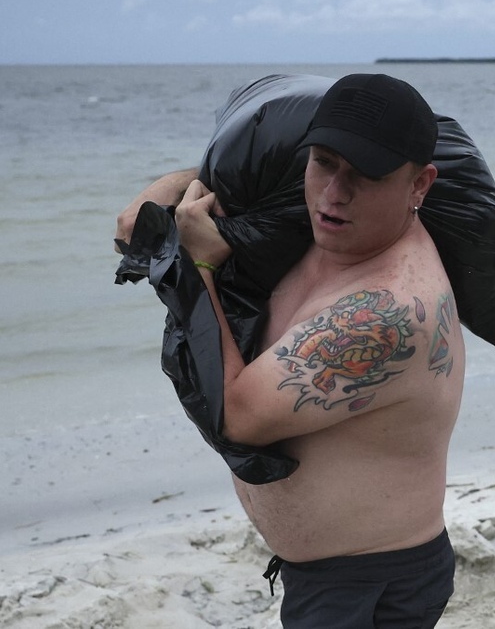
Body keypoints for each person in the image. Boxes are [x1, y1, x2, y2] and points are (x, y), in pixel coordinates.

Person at [116, 74, 462, 627]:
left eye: (366, 175)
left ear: (418, 185)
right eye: (323, 161)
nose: (335, 192)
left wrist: (200, 266)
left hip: (368, 582)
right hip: (334, 576)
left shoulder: (389, 310)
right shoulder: (329, 222)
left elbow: (241, 418)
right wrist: (180, 184)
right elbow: (167, 206)